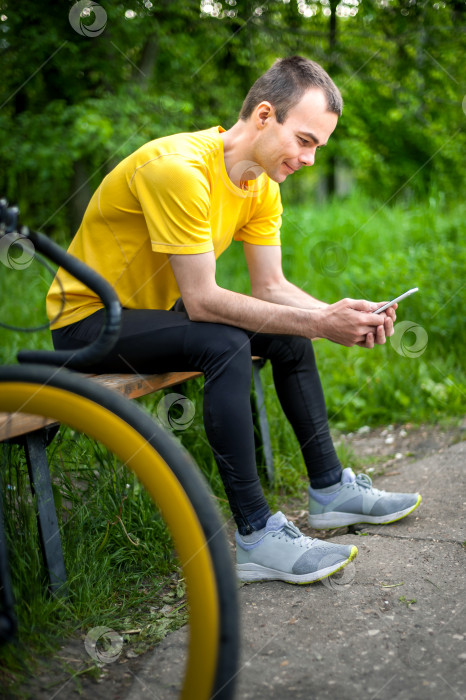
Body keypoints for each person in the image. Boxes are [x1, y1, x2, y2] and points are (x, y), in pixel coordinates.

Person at [47, 56, 422, 585]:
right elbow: (201, 301)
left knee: (286, 337)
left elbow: (273, 287)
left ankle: (331, 490)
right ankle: (254, 535)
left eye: (319, 147)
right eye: (306, 140)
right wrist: (321, 323)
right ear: (265, 115)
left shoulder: (260, 183)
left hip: (154, 315)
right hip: (86, 323)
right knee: (224, 342)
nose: (311, 159)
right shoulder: (179, 168)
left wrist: (342, 315)